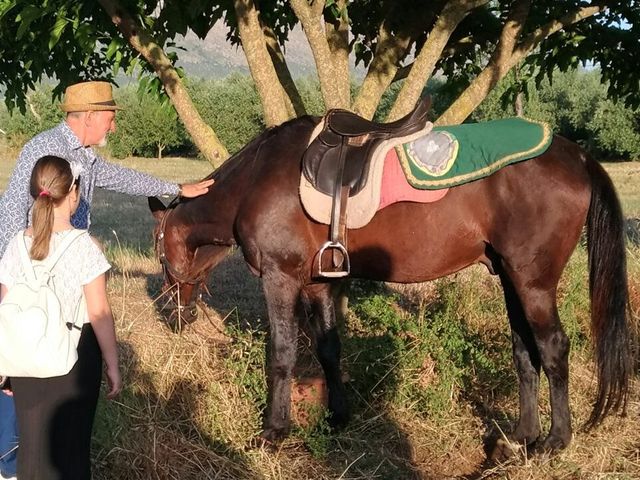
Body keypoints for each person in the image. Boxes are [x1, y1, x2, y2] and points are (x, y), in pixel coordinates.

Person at [0, 80, 214, 479]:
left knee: (52, 403)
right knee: (26, 393)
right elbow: (11, 220)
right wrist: (14, 304)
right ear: (92, 116)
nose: (113, 127)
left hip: (65, 295)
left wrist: (175, 188)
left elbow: (122, 178)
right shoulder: (44, 152)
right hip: (34, 299)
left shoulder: (84, 156)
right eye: (111, 118)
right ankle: (10, 466)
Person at [0, 155, 121, 478]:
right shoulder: (85, 246)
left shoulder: (17, 244)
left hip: (25, 354)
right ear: (74, 194)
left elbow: (4, 305)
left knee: (31, 450)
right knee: (70, 452)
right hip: (74, 359)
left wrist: (5, 362)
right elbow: (99, 312)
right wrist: (112, 363)